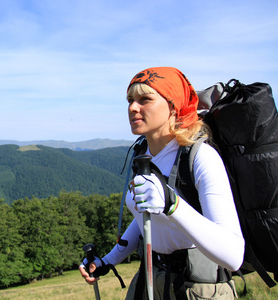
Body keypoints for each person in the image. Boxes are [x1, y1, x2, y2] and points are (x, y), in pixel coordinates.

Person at [79, 67, 245, 299]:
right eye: (130, 100)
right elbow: (144, 220)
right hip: (150, 281)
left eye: (145, 99)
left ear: (173, 106)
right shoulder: (143, 156)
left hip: (197, 288)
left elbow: (234, 255)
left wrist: (172, 204)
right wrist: (107, 261)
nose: (133, 108)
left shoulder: (201, 158)